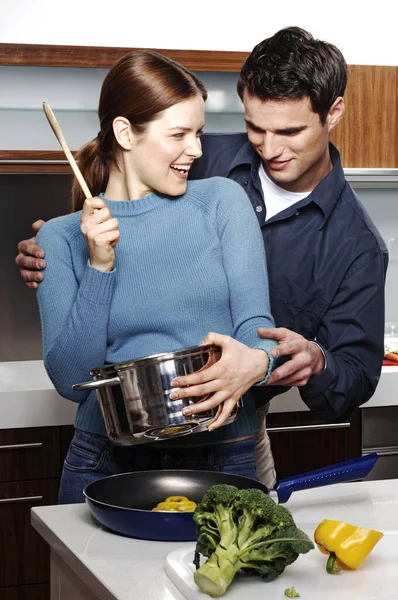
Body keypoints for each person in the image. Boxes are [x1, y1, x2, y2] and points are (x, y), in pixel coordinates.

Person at [15, 27, 388, 489]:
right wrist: (72, 257)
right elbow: (120, 195)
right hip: (108, 448)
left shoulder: (355, 245)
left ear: (333, 114)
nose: (269, 149)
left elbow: (345, 376)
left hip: (232, 431)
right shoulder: (197, 158)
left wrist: (299, 359)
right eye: (256, 127)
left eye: (289, 131)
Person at [30, 49, 280, 504]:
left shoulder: (222, 202)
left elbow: (256, 330)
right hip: (104, 460)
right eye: (179, 134)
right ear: (125, 133)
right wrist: (100, 266)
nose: (197, 149)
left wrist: (258, 362)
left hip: (226, 453)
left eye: (198, 132)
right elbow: (70, 381)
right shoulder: (61, 238)